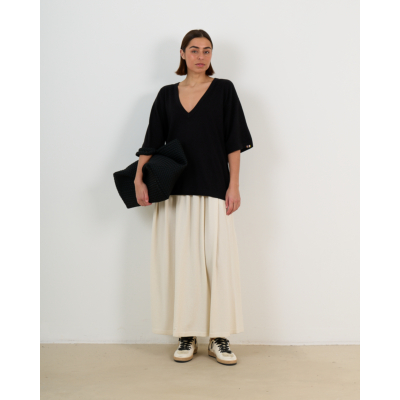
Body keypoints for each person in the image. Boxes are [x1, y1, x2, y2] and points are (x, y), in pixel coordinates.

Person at [134, 29, 253, 366]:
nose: (201, 56)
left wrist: (234, 185)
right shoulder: (166, 95)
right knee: (183, 264)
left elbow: (234, 142)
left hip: (215, 187)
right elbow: (151, 142)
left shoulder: (224, 90)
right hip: (175, 191)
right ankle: (186, 334)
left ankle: (219, 337)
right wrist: (139, 178)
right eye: (195, 50)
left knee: (218, 263)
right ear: (183, 54)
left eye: (207, 50)